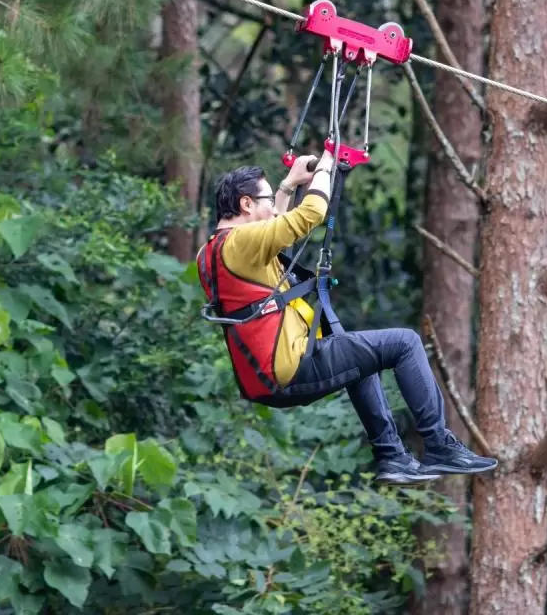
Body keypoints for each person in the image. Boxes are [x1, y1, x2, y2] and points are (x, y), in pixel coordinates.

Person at [196, 149, 497, 484]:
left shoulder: (213, 251)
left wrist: (285, 187)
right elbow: (312, 212)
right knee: (406, 343)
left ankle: (392, 456)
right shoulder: (239, 243)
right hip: (289, 368)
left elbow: (274, 235)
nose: (270, 207)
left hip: (266, 378)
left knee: (358, 359)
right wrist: (326, 166)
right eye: (265, 199)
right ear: (246, 204)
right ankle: (440, 444)